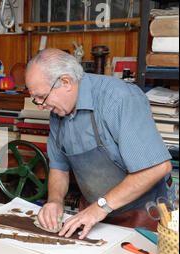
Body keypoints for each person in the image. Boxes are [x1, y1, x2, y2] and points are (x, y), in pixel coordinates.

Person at [25, 48, 176, 239]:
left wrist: (99, 207)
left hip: (144, 212)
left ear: (65, 82)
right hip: (97, 213)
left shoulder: (118, 98)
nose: (40, 105)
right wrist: (55, 201)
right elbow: (59, 167)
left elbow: (157, 168)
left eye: (42, 97)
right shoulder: (59, 111)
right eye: (35, 98)